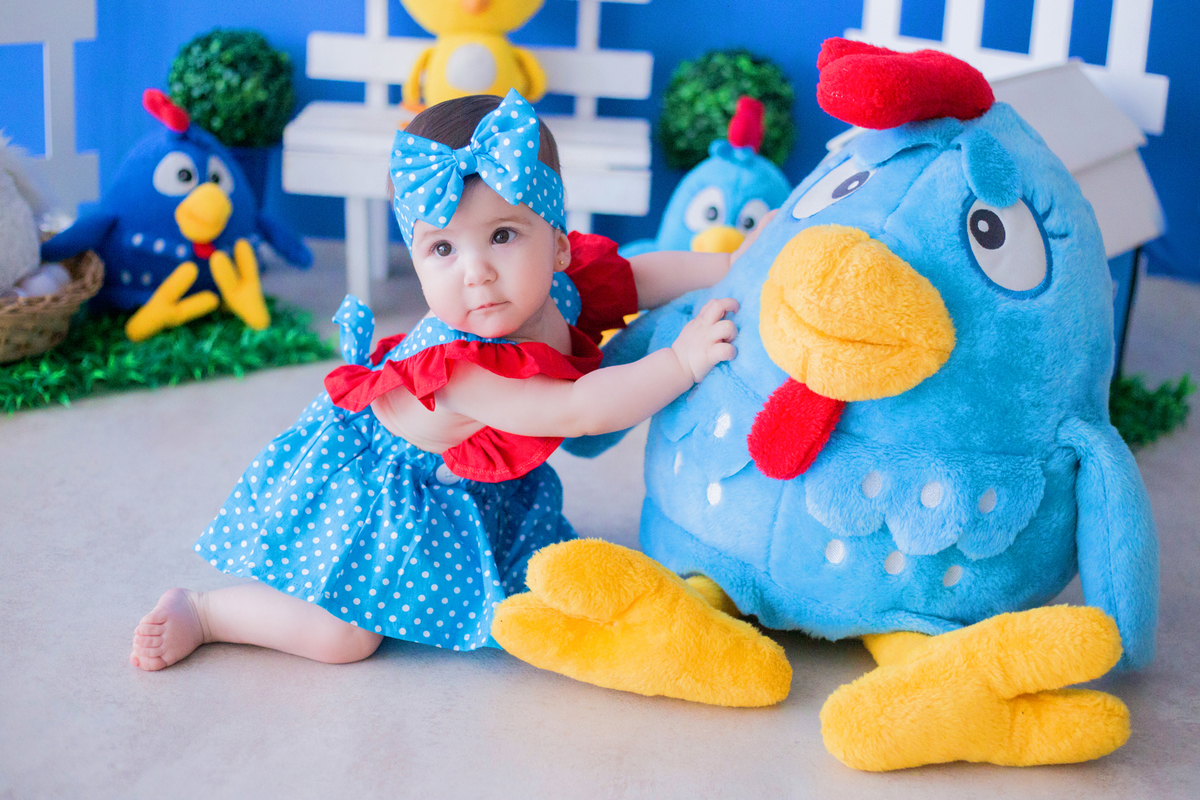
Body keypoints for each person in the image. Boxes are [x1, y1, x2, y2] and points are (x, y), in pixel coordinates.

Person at [129, 90, 742, 670]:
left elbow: (640, 276)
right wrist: (681, 362)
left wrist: (735, 264)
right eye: (443, 249)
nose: (477, 272)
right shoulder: (457, 370)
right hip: (384, 488)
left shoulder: (557, 284)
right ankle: (207, 612)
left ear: (558, 245)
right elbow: (578, 409)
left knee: (538, 571)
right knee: (346, 637)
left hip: (463, 480)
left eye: (502, 236)